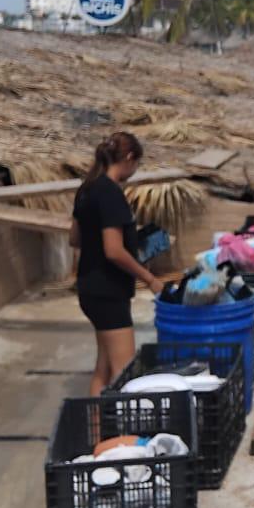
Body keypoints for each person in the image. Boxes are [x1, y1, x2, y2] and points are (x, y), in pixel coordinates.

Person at [71, 132, 164, 396]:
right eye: (136, 165)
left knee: (103, 368)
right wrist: (149, 278)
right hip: (108, 291)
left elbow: (75, 238)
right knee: (125, 374)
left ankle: (98, 433)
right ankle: (122, 436)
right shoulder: (111, 194)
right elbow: (113, 251)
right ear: (129, 158)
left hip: (89, 289)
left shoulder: (87, 190)